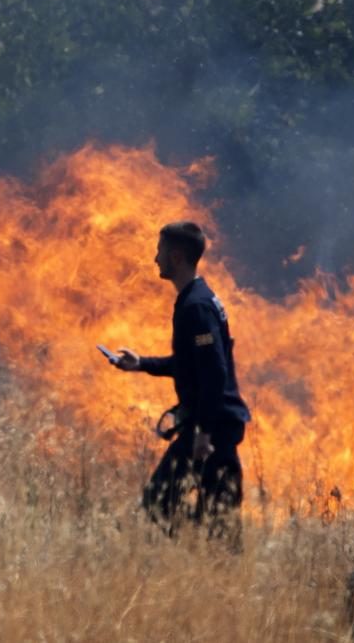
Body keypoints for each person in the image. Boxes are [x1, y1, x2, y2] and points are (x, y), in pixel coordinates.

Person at [111, 221, 251, 539]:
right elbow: (193, 365)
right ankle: (203, 552)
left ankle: (201, 551)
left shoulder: (197, 306)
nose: (154, 258)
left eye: (159, 251)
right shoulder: (194, 299)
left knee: (160, 504)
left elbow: (214, 372)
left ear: (176, 256)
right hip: (213, 425)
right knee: (216, 521)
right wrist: (141, 364)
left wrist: (203, 432)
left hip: (212, 431)